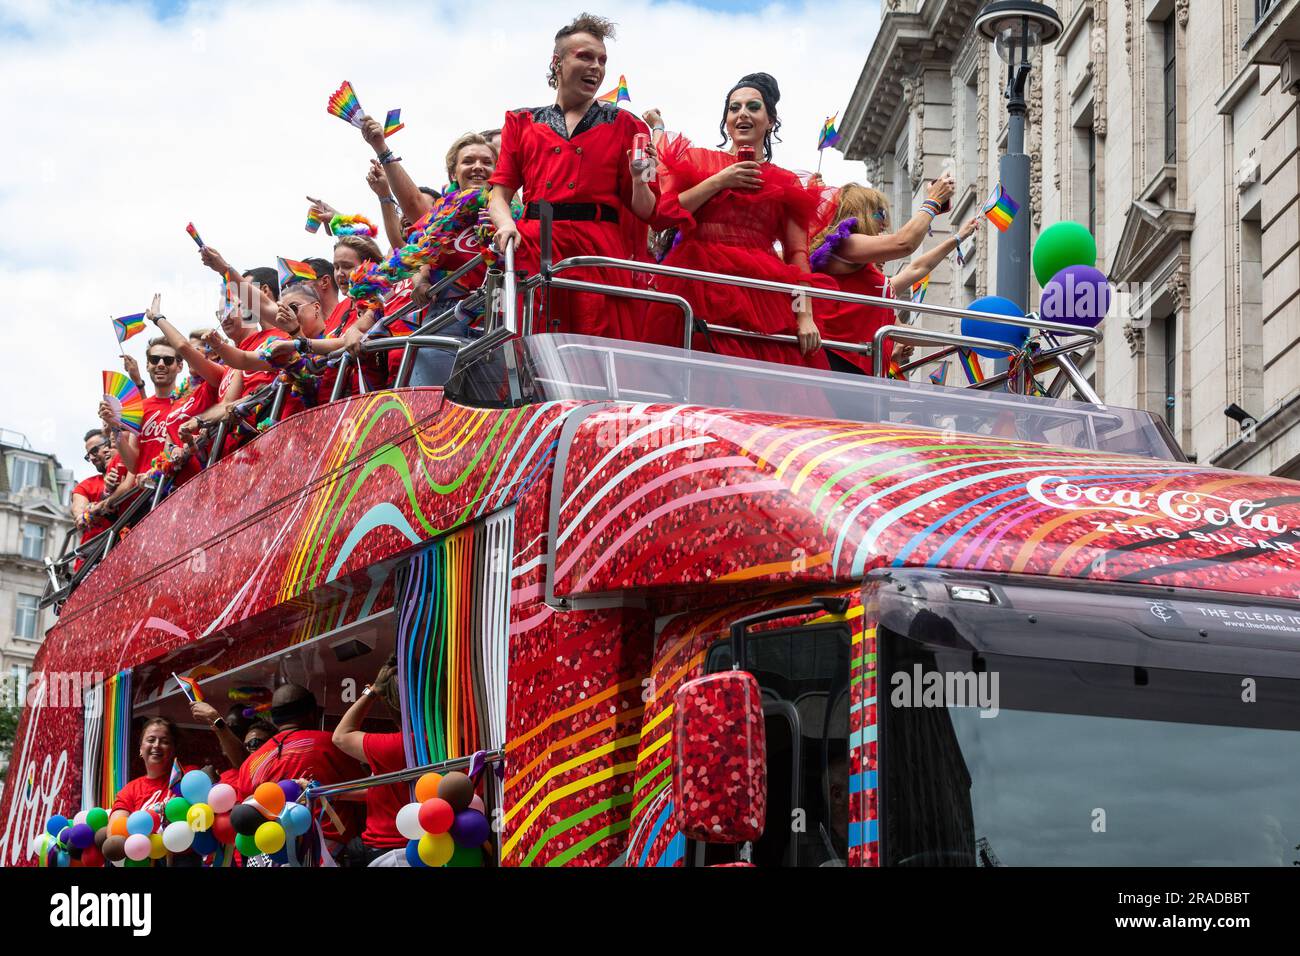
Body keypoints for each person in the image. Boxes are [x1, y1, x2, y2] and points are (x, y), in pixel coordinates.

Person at [487, 13, 659, 340]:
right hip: (536, 242)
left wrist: (639, 178)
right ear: (557, 62)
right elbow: (498, 195)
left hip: (598, 250)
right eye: (585, 56)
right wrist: (506, 224)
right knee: (529, 343)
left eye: (602, 60)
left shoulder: (632, 126)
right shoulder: (520, 121)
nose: (596, 66)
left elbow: (647, 210)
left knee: (599, 344)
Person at [645, 73, 832, 367]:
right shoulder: (696, 160)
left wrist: (804, 315)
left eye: (753, 106)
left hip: (762, 296)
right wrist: (720, 180)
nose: (742, 113)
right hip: (698, 284)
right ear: (726, 120)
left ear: (770, 120)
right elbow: (664, 215)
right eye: (734, 108)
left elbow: (797, 256)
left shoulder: (786, 182)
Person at [809, 180, 976, 375]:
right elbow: (904, 243)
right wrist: (933, 200)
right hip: (837, 363)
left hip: (863, 369)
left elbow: (918, 269)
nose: (885, 223)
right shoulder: (844, 244)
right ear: (861, 212)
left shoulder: (868, 281)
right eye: (880, 213)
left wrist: (959, 339)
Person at [236, 684, 364, 855]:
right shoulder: (333, 744)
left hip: (270, 853)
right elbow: (367, 794)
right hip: (327, 854)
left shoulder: (250, 763)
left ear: (274, 719)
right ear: (313, 713)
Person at [331, 658, 407, 866]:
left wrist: (371, 692)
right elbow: (387, 787)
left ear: (388, 701)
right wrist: (338, 793)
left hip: (390, 852)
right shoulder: (448, 740)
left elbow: (340, 736)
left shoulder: (391, 746)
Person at [99, 337, 180, 477]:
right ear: (148, 365)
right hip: (149, 494)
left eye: (168, 360)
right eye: (154, 359)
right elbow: (133, 465)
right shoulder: (139, 408)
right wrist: (114, 427)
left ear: (179, 366)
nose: (160, 364)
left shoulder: (188, 401)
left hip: (179, 487)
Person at [109, 717, 195, 818]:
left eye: (165, 742)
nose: (156, 745)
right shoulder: (130, 790)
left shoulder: (188, 775)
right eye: (151, 740)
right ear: (141, 749)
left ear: (173, 749)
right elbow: (116, 829)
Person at [71, 429, 130, 554]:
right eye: (88, 455)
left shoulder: (130, 472)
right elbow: (79, 514)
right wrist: (91, 511)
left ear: (108, 446)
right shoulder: (86, 485)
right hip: (93, 559)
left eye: (94, 451)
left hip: (127, 548)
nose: (92, 458)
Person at [190, 700, 273, 787]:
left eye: (234, 730)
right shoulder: (223, 775)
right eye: (226, 727)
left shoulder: (260, 773)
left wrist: (212, 785)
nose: (225, 734)